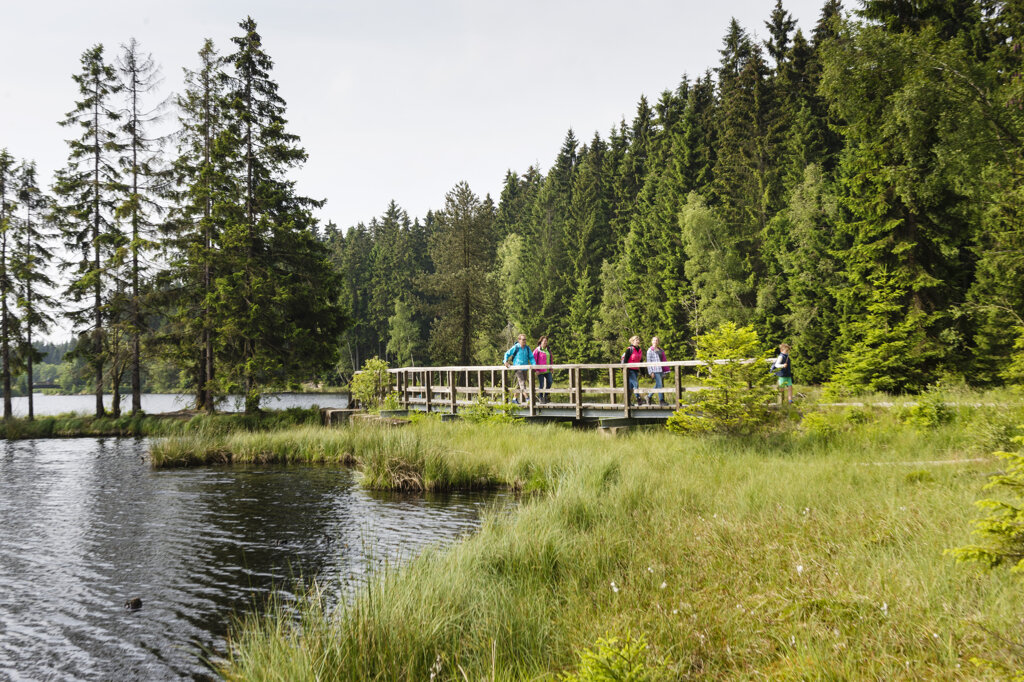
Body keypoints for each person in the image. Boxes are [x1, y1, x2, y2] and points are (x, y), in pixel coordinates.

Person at [503, 333, 536, 403]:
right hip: (518, 368)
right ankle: (527, 398)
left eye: (525, 340)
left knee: (519, 384)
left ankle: (514, 399)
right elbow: (507, 353)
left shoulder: (527, 348)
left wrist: (534, 365)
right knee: (522, 383)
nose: (524, 341)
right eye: (523, 339)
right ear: (519, 340)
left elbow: (531, 357)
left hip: (525, 368)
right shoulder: (516, 347)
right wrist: (505, 361)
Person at [620, 335, 644, 406]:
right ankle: (639, 399)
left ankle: (627, 402)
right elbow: (625, 360)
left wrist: (643, 372)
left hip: (636, 370)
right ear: (633, 341)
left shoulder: (639, 350)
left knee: (630, 387)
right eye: (636, 340)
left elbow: (641, 361)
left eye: (638, 340)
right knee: (635, 384)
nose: (638, 341)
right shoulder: (629, 349)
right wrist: (623, 369)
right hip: (629, 370)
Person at [646, 336, 670, 406]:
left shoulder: (660, 350)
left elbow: (663, 360)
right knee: (660, 384)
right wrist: (651, 372)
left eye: (656, 340)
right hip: (655, 369)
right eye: (654, 340)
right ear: (652, 341)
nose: (655, 342)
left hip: (660, 369)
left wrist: (665, 370)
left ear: (658, 342)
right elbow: (648, 362)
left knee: (658, 384)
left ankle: (648, 396)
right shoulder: (650, 350)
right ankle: (661, 401)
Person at [533, 336, 551, 404]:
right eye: (544, 341)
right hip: (540, 371)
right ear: (541, 342)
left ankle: (546, 396)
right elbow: (533, 360)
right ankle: (540, 398)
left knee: (550, 381)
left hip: (548, 370)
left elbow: (550, 359)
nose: (545, 342)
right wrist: (536, 369)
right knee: (541, 384)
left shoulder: (548, 349)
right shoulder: (537, 350)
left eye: (546, 341)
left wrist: (551, 368)